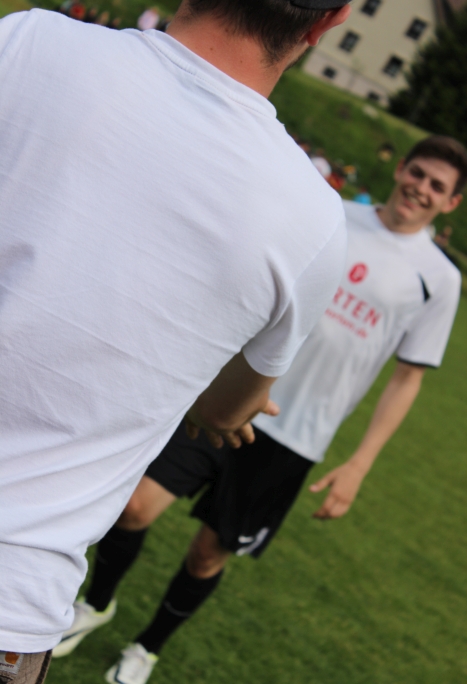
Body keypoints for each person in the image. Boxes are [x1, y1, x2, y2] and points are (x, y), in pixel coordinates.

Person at [0, 0, 365, 680]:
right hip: (13, 591)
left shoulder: (28, 41)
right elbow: (227, 409)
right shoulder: (313, 219)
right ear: (330, 21)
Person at [54, 136, 466, 684]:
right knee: (132, 506)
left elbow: (408, 378)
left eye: (438, 186)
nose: (421, 188)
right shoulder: (332, 215)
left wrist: (359, 464)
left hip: (295, 436)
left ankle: (147, 649)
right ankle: (97, 602)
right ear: (401, 170)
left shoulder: (440, 280)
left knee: (207, 554)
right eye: (417, 173)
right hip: (229, 396)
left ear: (452, 203)